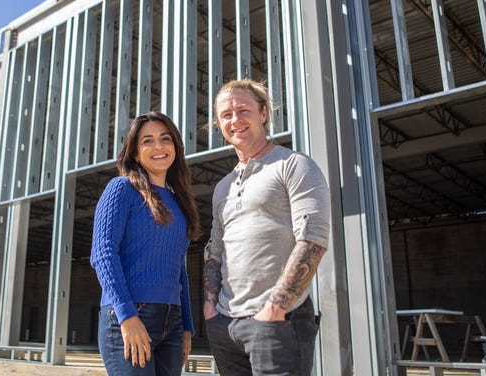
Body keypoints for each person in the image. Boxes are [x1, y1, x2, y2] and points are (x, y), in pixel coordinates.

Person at [203, 79, 330, 376]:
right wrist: (211, 309)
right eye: (226, 115)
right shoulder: (222, 187)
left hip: (277, 322)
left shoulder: (293, 165)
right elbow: (215, 249)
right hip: (225, 323)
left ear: (262, 114)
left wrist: (274, 309)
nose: (235, 120)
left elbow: (313, 240)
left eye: (243, 110)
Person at [91, 112, 201, 375]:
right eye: (147, 141)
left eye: (165, 139)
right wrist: (127, 316)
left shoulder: (179, 201)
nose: (158, 147)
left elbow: (179, 270)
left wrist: (186, 326)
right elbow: (103, 253)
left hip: (172, 323)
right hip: (128, 315)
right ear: (135, 152)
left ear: (175, 146)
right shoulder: (121, 189)